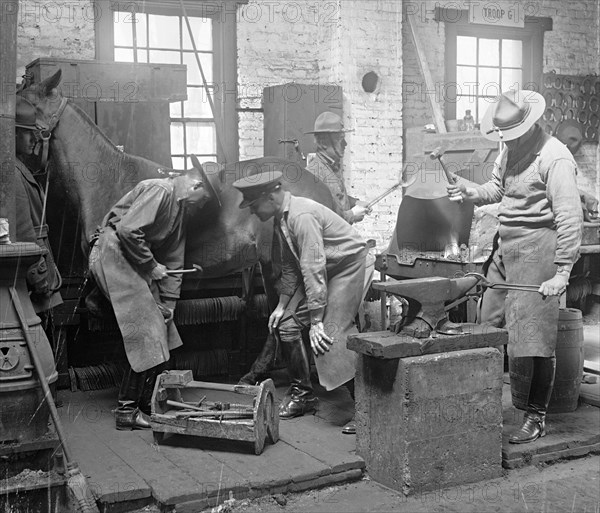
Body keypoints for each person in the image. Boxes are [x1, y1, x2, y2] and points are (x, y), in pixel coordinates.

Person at [447, 90, 583, 444]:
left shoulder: (555, 157)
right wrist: (471, 192)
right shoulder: (510, 147)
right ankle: (485, 404)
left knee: (533, 338)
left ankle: (535, 416)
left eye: (513, 133)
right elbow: (498, 189)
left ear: (530, 123)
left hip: (539, 250)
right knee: (487, 323)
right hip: (505, 247)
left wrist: (563, 272)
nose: (508, 140)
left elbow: (570, 216)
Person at [88, 163, 221, 430]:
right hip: (111, 252)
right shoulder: (160, 190)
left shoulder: (180, 213)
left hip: (130, 260)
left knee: (163, 328)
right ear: (196, 185)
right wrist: (150, 266)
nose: (202, 205)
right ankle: (127, 410)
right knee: (146, 329)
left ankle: (147, 403)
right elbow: (127, 230)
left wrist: (169, 305)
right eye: (204, 199)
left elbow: (173, 260)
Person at [233, 170, 367, 432]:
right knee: (287, 326)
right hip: (323, 270)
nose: (252, 213)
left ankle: (367, 411)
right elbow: (291, 266)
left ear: (270, 196)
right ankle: (303, 395)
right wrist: (282, 306)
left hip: (347, 267)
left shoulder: (301, 216)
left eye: (254, 205)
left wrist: (317, 320)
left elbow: (312, 266)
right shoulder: (280, 217)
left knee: (330, 334)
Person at [14, 96, 63, 333]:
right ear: (10, 135)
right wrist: (41, 279)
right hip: (30, 286)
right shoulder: (12, 173)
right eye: (26, 132)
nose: (35, 137)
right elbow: (24, 234)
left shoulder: (18, 168)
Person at [306, 112, 370, 225]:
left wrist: (356, 202)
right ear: (323, 142)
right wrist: (352, 215)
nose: (345, 144)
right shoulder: (314, 173)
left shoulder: (332, 166)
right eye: (340, 139)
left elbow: (336, 198)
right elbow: (322, 219)